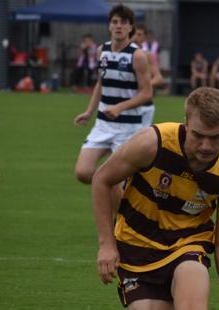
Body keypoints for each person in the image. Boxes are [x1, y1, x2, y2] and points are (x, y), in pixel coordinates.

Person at [91, 87, 219, 310]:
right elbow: (101, 179)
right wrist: (106, 244)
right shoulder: (152, 143)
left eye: (215, 138)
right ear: (186, 123)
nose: (205, 146)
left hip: (186, 245)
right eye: (198, 136)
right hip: (135, 252)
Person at [72, 4, 152, 197]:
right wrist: (89, 111)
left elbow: (146, 93)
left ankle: (121, 222)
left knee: (114, 181)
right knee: (83, 172)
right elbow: (101, 82)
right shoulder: (102, 51)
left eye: (123, 23)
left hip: (128, 129)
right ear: (109, 26)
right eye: (115, 22)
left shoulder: (138, 56)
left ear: (130, 27)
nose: (118, 26)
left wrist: (120, 107)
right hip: (103, 125)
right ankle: (117, 197)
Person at [133, 24, 164, 127]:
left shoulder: (147, 55)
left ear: (144, 37)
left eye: (139, 34)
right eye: (133, 34)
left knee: (143, 139)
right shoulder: (123, 53)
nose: (135, 37)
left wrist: (144, 85)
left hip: (145, 105)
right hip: (128, 104)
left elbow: (159, 78)